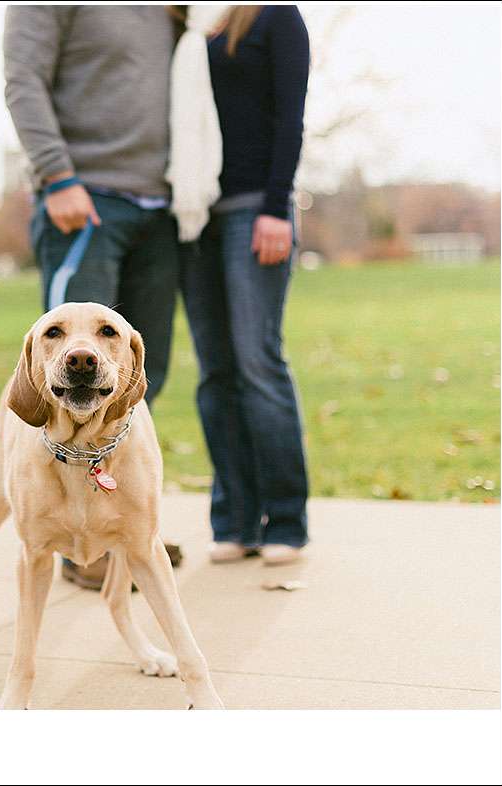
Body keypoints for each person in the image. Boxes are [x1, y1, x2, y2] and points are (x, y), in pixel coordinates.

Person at [4, 6, 183, 589]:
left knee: (134, 379)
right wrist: (56, 175)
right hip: (82, 201)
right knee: (67, 369)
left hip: (160, 209)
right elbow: (23, 77)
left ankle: (122, 524)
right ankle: (73, 542)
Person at [177, 5, 311, 566]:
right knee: (216, 373)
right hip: (191, 213)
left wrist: (277, 206)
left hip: (255, 208)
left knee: (257, 361)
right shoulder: (185, 21)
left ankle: (284, 519)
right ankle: (233, 518)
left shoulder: (275, 15)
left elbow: (290, 115)